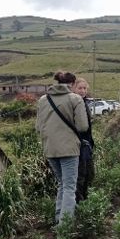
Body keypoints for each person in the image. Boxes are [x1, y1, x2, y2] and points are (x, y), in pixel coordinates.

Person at [35, 71, 90, 225]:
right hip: (69, 149)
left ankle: (59, 218)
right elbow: (82, 126)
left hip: (50, 149)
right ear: (72, 84)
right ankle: (65, 225)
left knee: (62, 183)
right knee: (70, 187)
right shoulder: (75, 99)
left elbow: (38, 127)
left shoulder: (43, 100)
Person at [71, 77, 96, 202]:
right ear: (73, 89)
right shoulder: (73, 104)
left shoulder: (84, 102)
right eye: (80, 88)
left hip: (86, 144)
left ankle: (85, 200)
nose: (82, 91)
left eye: (85, 88)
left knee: (89, 174)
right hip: (78, 144)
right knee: (81, 175)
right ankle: (79, 202)